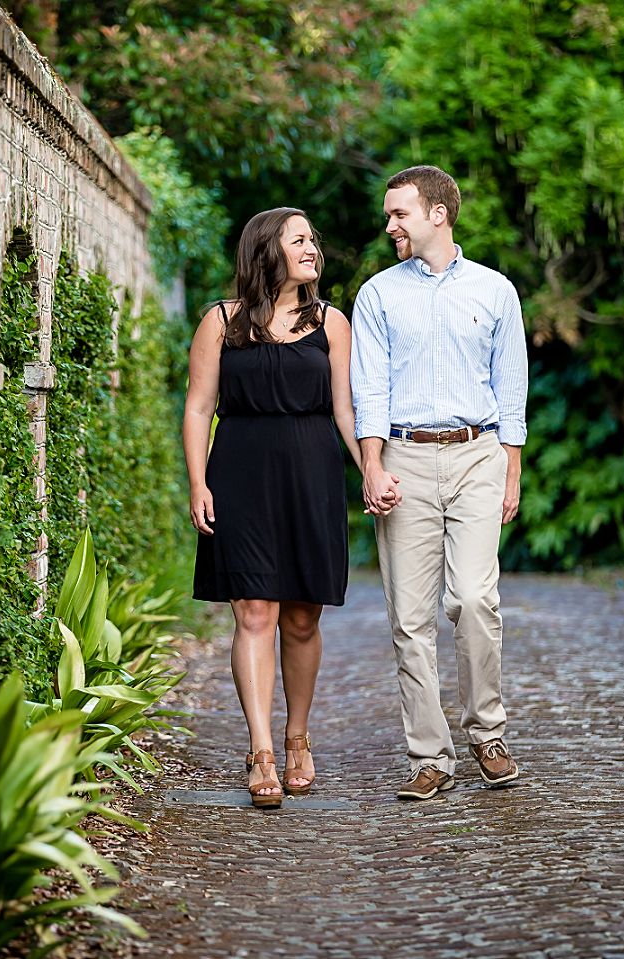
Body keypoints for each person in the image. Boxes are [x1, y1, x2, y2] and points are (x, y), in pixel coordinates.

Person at [183, 207, 376, 809]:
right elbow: (197, 408)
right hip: (239, 472)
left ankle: (298, 736)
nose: (312, 248)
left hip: (311, 473)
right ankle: (261, 748)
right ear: (267, 248)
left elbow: (346, 409)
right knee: (254, 612)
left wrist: (370, 467)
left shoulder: (332, 323)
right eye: (300, 240)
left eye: (313, 239)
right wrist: (197, 483)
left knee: (301, 617)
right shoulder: (221, 321)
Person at [350, 165, 528, 801]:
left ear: (437, 215)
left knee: (476, 599)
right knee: (410, 616)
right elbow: (368, 389)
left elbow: (511, 389)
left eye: (399, 214)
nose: (390, 224)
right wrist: (373, 467)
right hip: (404, 457)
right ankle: (430, 755)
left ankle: (487, 734)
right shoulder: (376, 295)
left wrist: (511, 472)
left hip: (478, 453)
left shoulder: (495, 291)